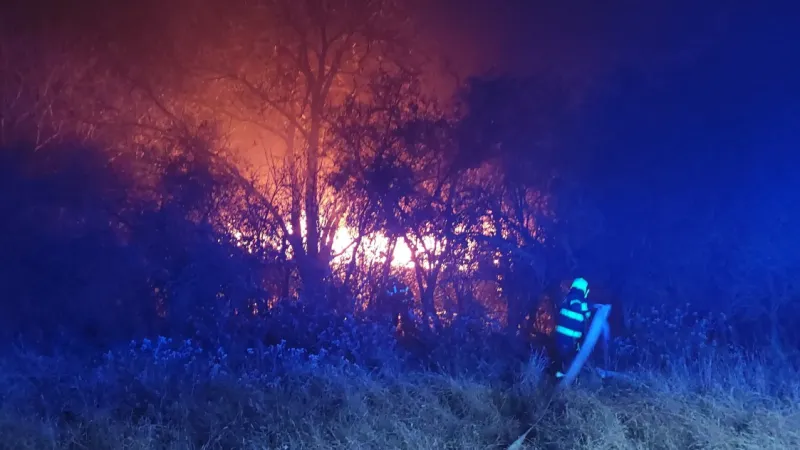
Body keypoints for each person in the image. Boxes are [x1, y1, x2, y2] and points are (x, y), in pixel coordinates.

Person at [554, 277, 592, 378]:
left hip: (568, 340)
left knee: (567, 362)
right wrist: (590, 306)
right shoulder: (574, 297)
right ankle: (561, 383)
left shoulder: (570, 298)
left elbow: (586, 316)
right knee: (566, 363)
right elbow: (577, 307)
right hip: (567, 339)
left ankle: (562, 379)